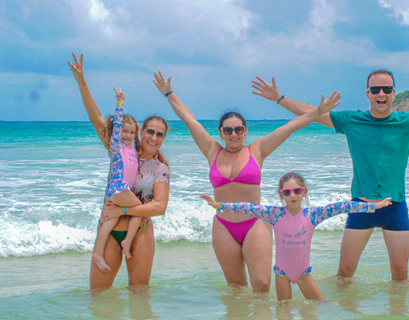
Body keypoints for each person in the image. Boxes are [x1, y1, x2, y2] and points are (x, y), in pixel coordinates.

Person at [251, 70, 409, 281]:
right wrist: (279, 98)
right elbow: (313, 114)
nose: (382, 93)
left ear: (393, 93)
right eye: (376, 89)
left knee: (400, 275)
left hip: (395, 206)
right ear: (368, 94)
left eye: (387, 89)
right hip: (361, 207)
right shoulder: (351, 120)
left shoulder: (408, 122)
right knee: (344, 272)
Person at [153, 70, 341, 292]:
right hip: (223, 227)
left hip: (255, 223)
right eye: (228, 130)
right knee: (236, 289)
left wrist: (319, 112)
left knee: (261, 285)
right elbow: (189, 119)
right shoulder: (212, 151)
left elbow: (290, 127)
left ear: (245, 131)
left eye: (238, 129)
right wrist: (169, 94)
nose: (234, 134)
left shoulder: (257, 150)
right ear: (221, 133)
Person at [200, 172, 393, 300]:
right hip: (281, 273)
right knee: (284, 312)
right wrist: (222, 206)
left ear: (304, 192)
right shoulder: (274, 214)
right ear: (281, 194)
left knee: (320, 307)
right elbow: (248, 207)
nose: (293, 195)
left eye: (297, 190)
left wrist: (373, 206)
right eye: (287, 192)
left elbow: (343, 206)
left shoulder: (313, 214)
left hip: (303, 273)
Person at [68, 52, 170, 289]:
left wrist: (122, 207)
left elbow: (160, 207)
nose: (153, 137)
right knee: (99, 297)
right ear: (140, 131)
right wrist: (82, 82)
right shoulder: (122, 150)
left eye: (160, 134)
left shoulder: (160, 168)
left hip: (141, 232)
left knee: (139, 296)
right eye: (150, 131)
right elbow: (96, 117)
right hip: (109, 229)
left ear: (163, 139)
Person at [91, 87, 143, 273]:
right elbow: (118, 125)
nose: (127, 135)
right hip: (117, 188)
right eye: (124, 132)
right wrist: (120, 102)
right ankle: (127, 241)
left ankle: (98, 252)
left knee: (111, 219)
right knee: (139, 210)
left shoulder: (132, 149)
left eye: (131, 132)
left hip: (120, 191)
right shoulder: (116, 146)